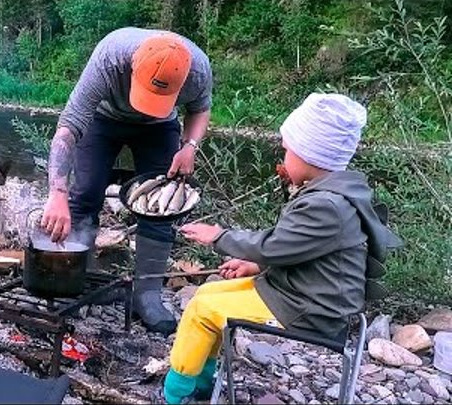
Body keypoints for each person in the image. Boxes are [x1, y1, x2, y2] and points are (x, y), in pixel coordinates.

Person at [161, 93, 402, 403]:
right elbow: (300, 248)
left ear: (309, 155)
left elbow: (275, 246)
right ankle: (203, 384)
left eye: (288, 150)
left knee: (203, 310)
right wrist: (257, 266)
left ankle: (175, 394)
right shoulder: (332, 192)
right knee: (206, 295)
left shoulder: (326, 206)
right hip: (303, 292)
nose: (284, 156)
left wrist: (219, 237)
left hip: (311, 311)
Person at [40, 27, 213, 336]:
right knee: (84, 194)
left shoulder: (197, 69)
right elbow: (68, 128)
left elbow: (200, 109)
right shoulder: (110, 57)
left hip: (160, 128)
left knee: (160, 207)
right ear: (132, 68)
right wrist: (56, 192)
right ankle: (80, 278)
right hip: (103, 121)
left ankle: (146, 294)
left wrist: (190, 147)